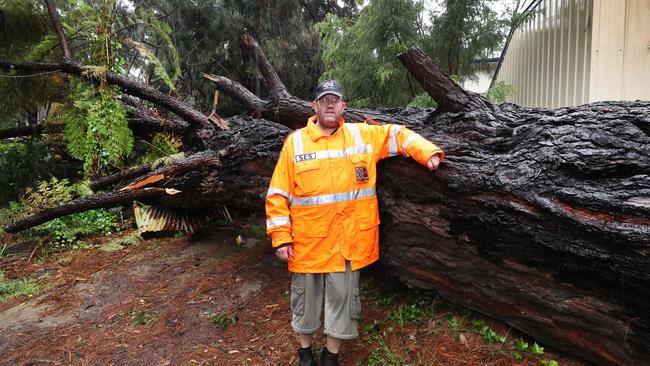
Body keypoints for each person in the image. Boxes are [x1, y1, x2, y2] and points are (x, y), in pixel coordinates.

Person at [265, 79, 444, 366]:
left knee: (343, 302)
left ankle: (331, 355)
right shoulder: (295, 143)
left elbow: (396, 134)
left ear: (343, 106)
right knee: (305, 303)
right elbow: (277, 194)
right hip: (307, 243)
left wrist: (427, 152)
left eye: (335, 100)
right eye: (324, 100)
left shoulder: (361, 136)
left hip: (347, 243)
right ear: (315, 106)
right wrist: (281, 237)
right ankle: (305, 353)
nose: (330, 105)